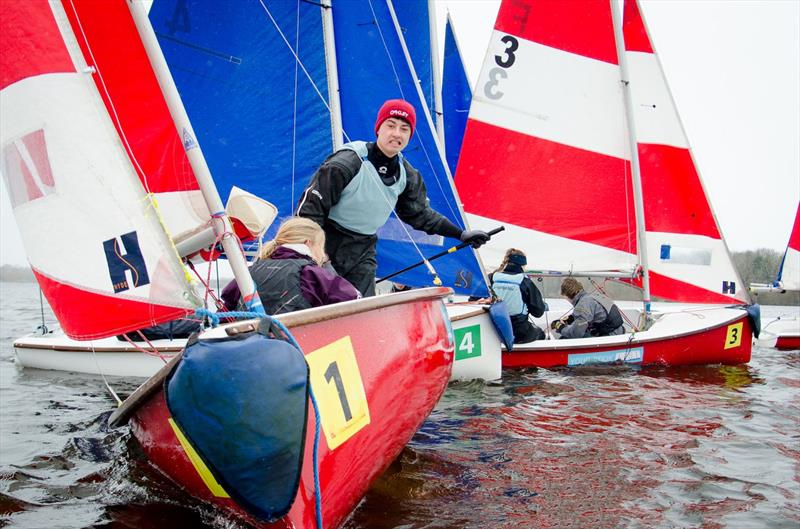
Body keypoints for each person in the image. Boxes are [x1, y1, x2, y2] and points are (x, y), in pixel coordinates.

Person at [296, 98, 490, 296]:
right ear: (379, 128)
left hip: (362, 249)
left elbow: (420, 215)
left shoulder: (407, 175)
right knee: (319, 300)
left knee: (361, 308)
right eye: (391, 125)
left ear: (409, 136)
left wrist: (460, 234)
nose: (397, 133)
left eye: (404, 129)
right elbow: (308, 211)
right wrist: (317, 254)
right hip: (325, 240)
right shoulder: (347, 162)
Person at [221, 217, 360, 315]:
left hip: (250, 351)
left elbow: (225, 311)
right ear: (308, 243)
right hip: (297, 350)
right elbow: (356, 302)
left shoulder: (249, 272)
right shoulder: (312, 274)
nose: (323, 255)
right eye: (321, 248)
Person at [489, 249, 546, 343]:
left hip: (493, 330)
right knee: (540, 333)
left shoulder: (491, 278)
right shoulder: (525, 281)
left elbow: (474, 299)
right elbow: (538, 312)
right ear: (523, 265)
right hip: (518, 333)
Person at [551, 278, 624, 339]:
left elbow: (576, 334)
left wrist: (560, 327)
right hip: (618, 330)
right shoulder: (590, 297)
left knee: (565, 339)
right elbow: (585, 315)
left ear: (567, 295)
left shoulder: (582, 305)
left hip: (611, 335)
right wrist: (569, 319)